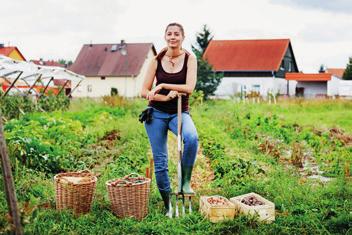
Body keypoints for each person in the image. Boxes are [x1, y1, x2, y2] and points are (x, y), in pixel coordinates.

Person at [141, 22, 198, 216]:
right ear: (165, 36)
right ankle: (168, 205)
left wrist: (163, 83)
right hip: (155, 114)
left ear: (182, 37)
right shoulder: (157, 60)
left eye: (176, 34)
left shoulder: (190, 58)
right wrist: (164, 96)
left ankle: (186, 182)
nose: (172, 37)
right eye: (169, 34)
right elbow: (144, 91)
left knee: (191, 138)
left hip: (179, 113)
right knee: (160, 161)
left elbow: (189, 88)